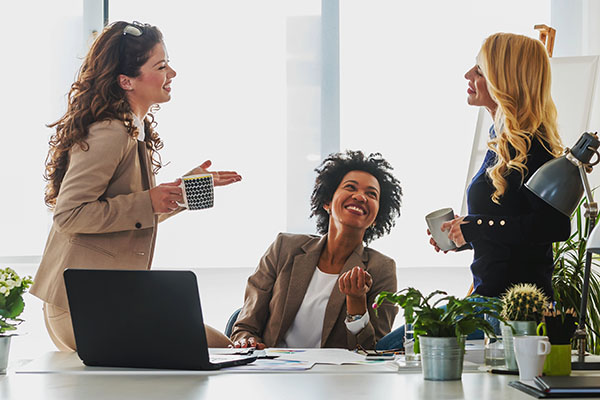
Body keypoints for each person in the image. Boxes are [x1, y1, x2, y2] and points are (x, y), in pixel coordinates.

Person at [30, 21, 240, 351]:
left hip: (97, 301)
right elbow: (69, 215)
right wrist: (151, 201)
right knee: (216, 347)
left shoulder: (131, 130)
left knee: (216, 346)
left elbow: (134, 211)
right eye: (161, 65)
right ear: (126, 80)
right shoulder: (111, 131)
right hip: (80, 308)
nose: (172, 72)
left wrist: (185, 191)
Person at [376, 33, 571, 351]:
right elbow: (512, 227)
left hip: (508, 311)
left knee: (390, 349)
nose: (468, 76)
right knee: (394, 347)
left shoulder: (536, 145)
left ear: (504, 80)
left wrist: (477, 226)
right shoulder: (502, 141)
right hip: (488, 302)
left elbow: (554, 226)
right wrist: (462, 234)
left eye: (479, 70)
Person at [230, 151, 402, 350]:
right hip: (273, 370)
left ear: (376, 217)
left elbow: (373, 352)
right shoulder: (284, 248)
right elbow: (246, 325)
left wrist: (356, 303)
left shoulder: (381, 269)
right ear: (327, 202)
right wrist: (246, 340)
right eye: (350, 187)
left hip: (334, 377)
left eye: (371, 194)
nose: (360, 196)